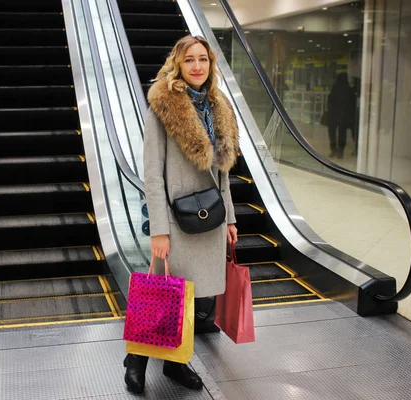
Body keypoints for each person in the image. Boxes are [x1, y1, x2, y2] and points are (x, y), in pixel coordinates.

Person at [124, 35, 239, 394]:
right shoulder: (163, 106)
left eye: (203, 59)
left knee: (195, 296)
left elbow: (224, 172)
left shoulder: (218, 105)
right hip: (175, 220)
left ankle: (175, 362)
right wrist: (158, 228)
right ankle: (136, 360)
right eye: (189, 60)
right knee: (161, 297)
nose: (197, 66)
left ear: (211, 64)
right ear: (178, 64)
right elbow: (152, 174)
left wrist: (231, 218)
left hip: (211, 218)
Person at [327, 73, 356, 159]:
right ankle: (340, 151)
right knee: (342, 134)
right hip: (344, 116)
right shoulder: (349, 89)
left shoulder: (335, 88)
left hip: (334, 115)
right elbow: (353, 103)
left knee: (332, 132)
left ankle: (333, 149)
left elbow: (330, 100)